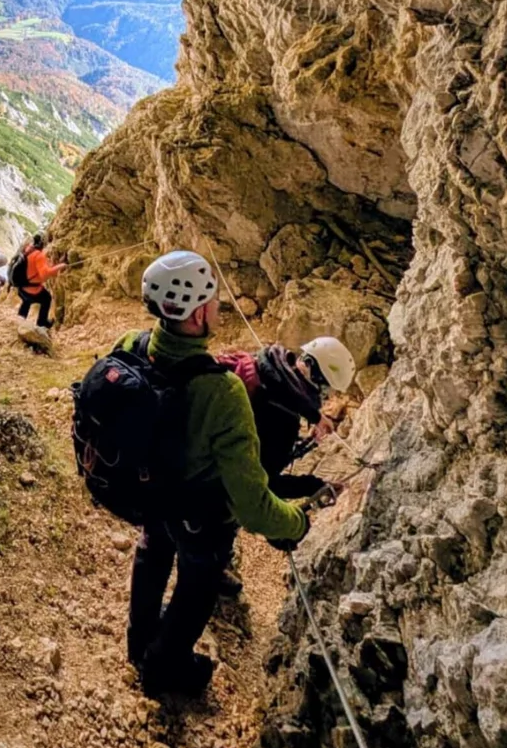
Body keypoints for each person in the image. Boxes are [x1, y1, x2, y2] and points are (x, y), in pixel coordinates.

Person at [116, 250, 310, 696]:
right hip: (198, 517)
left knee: (152, 553)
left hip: (149, 493)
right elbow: (253, 505)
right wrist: (297, 522)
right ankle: (163, 671)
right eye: (215, 301)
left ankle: (138, 642)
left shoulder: (131, 345)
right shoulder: (224, 392)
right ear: (200, 312)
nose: (219, 308)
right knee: (197, 586)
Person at [209, 335, 352, 597]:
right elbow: (264, 481)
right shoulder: (283, 416)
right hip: (212, 482)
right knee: (221, 519)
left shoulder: (267, 365)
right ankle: (209, 573)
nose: (325, 397)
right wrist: (316, 487)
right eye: (327, 390)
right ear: (319, 380)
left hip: (200, 452)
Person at [15, 233, 66, 330]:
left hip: (22, 288)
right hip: (32, 289)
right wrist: (61, 266)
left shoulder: (28, 250)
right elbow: (44, 274)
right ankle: (42, 323)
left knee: (27, 301)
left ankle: (20, 318)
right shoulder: (38, 255)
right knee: (46, 298)